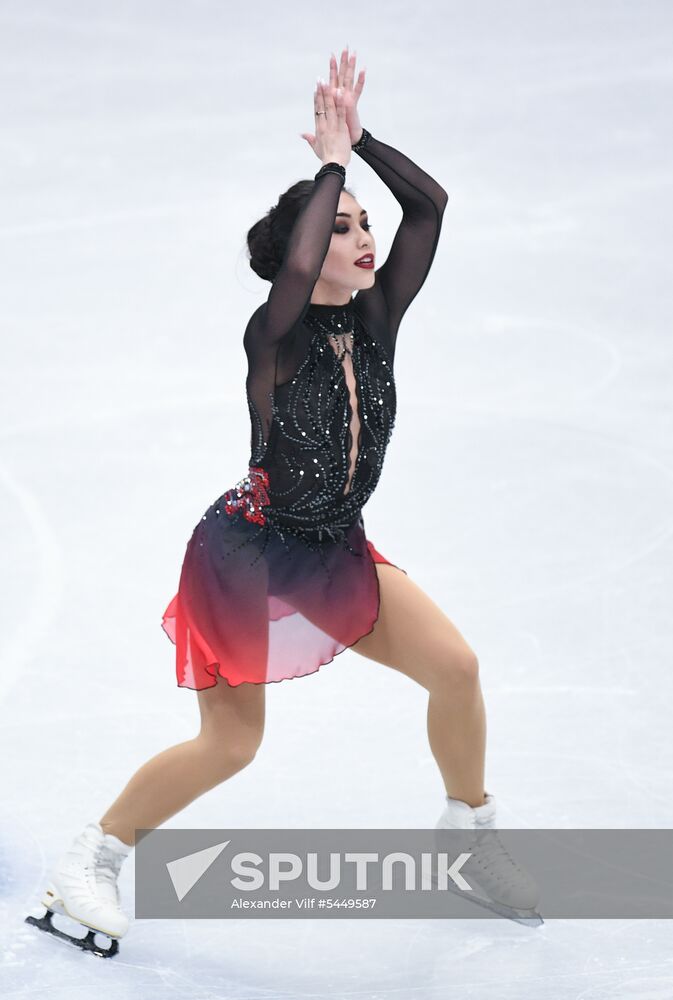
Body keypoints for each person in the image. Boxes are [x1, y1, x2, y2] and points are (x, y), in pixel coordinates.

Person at [25, 50, 540, 955]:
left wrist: (360, 143)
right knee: (231, 746)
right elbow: (297, 270)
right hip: (248, 556)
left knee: (455, 669)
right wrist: (328, 168)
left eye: (362, 224)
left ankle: (467, 837)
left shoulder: (377, 319)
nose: (364, 238)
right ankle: (92, 856)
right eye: (341, 230)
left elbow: (429, 206)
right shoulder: (276, 336)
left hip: (334, 546)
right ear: (303, 253)